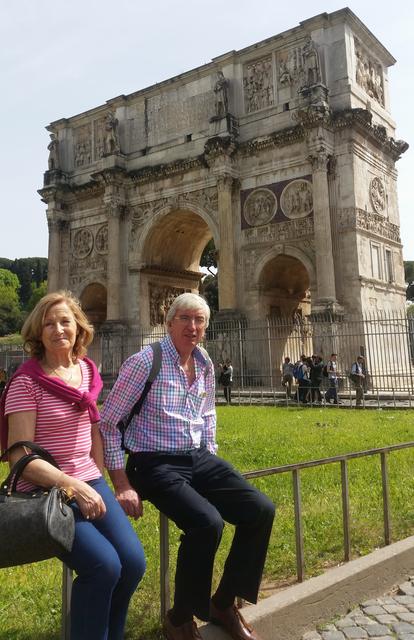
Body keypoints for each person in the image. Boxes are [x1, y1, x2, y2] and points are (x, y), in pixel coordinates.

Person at [100, 292, 275, 640]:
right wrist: (120, 483)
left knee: (260, 509)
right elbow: (108, 422)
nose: (192, 327)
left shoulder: (205, 362)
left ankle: (223, 602)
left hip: (196, 456)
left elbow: (207, 412)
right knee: (207, 523)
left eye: (199, 321)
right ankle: (179, 618)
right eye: (185, 319)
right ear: (169, 323)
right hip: (152, 462)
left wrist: (210, 453)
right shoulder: (144, 361)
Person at [1, 291, 145, 640]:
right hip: (47, 489)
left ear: (79, 327)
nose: (57, 329)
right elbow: (20, 457)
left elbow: (92, 430)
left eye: (65, 321)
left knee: (133, 564)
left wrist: (99, 481)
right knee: (103, 566)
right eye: (48, 323)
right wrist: (74, 486)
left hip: (88, 481)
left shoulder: (86, 370)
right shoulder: (26, 382)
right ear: (38, 332)